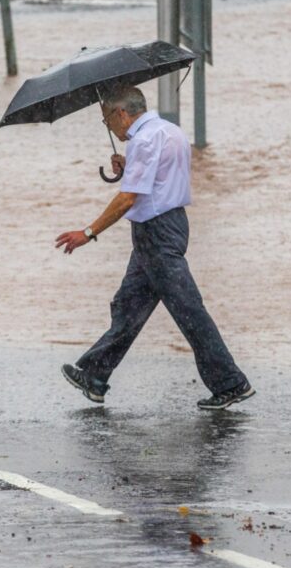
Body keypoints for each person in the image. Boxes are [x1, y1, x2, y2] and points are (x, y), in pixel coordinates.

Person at [54, 85, 255, 410]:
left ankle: (231, 383)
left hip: (156, 233)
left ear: (121, 113)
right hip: (170, 224)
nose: (108, 126)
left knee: (188, 310)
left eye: (107, 119)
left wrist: (88, 232)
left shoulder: (144, 141)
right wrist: (128, 165)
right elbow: (161, 176)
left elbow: (127, 198)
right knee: (129, 306)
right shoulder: (169, 131)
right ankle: (94, 376)